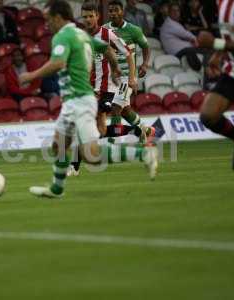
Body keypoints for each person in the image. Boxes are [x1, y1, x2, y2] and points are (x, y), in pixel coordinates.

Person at [19, 0, 158, 198]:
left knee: (91, 154)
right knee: (58, 145)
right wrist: (116, 67)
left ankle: (143, 153)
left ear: (58, 18)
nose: (46, 24)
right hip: (75, 100)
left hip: (80, 100)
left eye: (48, 19)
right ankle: (56, 188)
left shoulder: (63, 36)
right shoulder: (80, 34)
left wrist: (30, 76)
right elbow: (106, 49)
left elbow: (58, 63)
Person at [68, 1, 140, 176]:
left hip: (109, 89)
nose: (88, 20)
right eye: (84, 17)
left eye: (91, 16)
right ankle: (135, 130)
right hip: (91, 89)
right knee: (93, 129)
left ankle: (74, 166)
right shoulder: (81, 36)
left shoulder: (108, 34)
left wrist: (131, 78)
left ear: (97, 16)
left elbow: (128, 54)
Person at [103, 1, 154, 144]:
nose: (112, 13)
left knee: (115, 107)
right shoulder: (104, 30)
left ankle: (113, 143)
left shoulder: (134, 30)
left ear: (122, 12)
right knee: (125, 110)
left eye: (115, 10)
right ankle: (145, 131)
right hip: (112, 77)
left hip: (127, 77)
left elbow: (146, 46)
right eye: (110, 11)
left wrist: (144, 64)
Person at [197, 4, 234, 169]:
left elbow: (222, 41)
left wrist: (215, 44)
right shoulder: (222, 3)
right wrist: (218, 54)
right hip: (232, 71)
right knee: (208, 116)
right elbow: (230, 33)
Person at [160, 3, 202, 71]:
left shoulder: (174, 23)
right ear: (169, 12)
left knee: (200, 50)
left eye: (178, 10)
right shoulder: (169, 23)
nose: (176, 13)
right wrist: (195, 39)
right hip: (175, 52)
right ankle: (198, 69)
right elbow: (186, 34)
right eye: (173, 11)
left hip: (180, 50)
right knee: (191, 49)